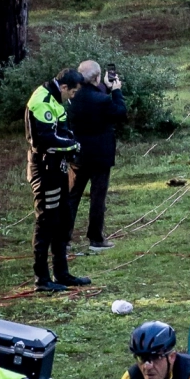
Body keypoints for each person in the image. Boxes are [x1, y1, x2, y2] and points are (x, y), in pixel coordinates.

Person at [24, 67, 88, 292]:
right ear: (63, 87)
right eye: (72, 92)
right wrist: (73, 145)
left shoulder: (55, 98)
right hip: (44, 169)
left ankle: (62, 273)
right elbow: (45, 139)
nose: (73, 96)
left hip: (58, 167)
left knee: (63, 219)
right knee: (46, 222)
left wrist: (71, 144)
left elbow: (63, 130)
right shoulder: (41, 100)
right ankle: (42, 279)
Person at [66, 59, 125, 252]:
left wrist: (105, 88)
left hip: (79, 153)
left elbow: (93, 97)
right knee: (97, 197)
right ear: (97, 77)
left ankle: (63, 238)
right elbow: (120, 113)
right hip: (100, 155)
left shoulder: (73, 96)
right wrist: (116, 90)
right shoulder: (102, 100)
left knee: (72, 196)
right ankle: (96, 238)